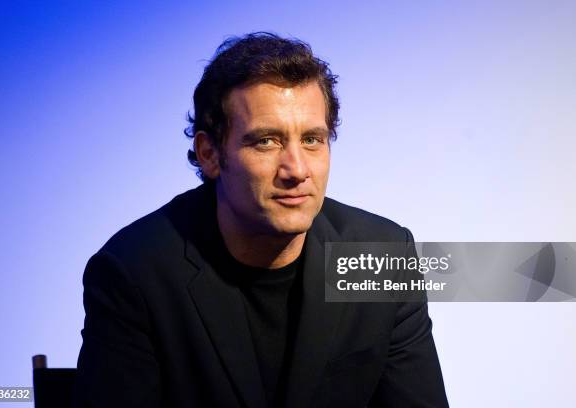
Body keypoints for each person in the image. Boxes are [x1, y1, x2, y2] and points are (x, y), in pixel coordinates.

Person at [73, 32, 449, 407]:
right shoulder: (134, 273)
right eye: (266, 141)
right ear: (210, 154)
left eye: (312, 140)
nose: (297, 169)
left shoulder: (381, 258)